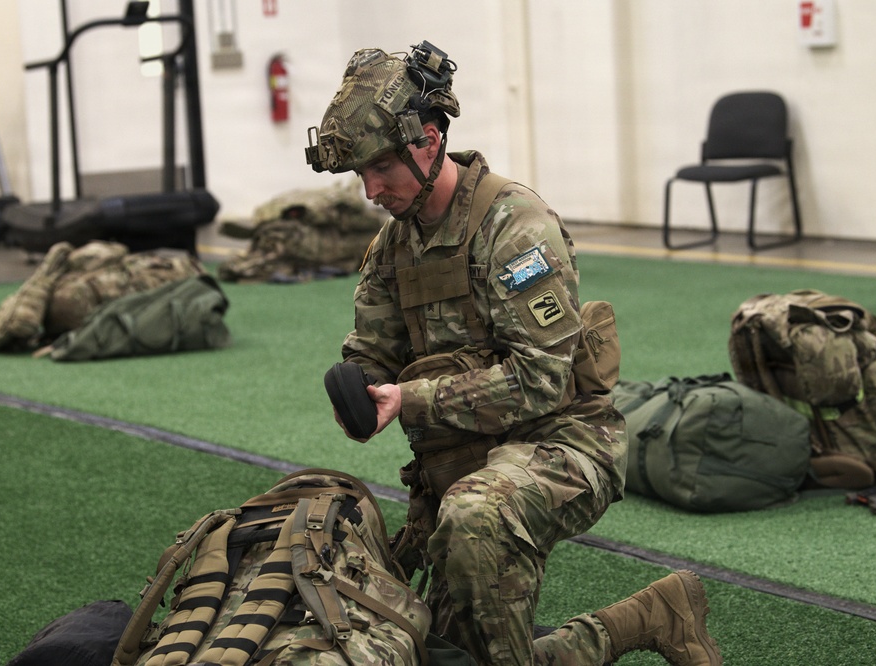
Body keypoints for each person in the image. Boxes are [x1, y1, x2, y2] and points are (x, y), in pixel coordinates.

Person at [306, 41, 722, 666]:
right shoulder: (392, 248)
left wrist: (409, 399)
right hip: (462, 463)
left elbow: (541, 380)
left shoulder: (515, 226)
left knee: (474, 521)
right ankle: (649, 616)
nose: (370, 189)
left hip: (563, 444)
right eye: (360, 173)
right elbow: (372, 349)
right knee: (436, 652)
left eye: (382, 167)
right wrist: (359, 388)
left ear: (428, 140)